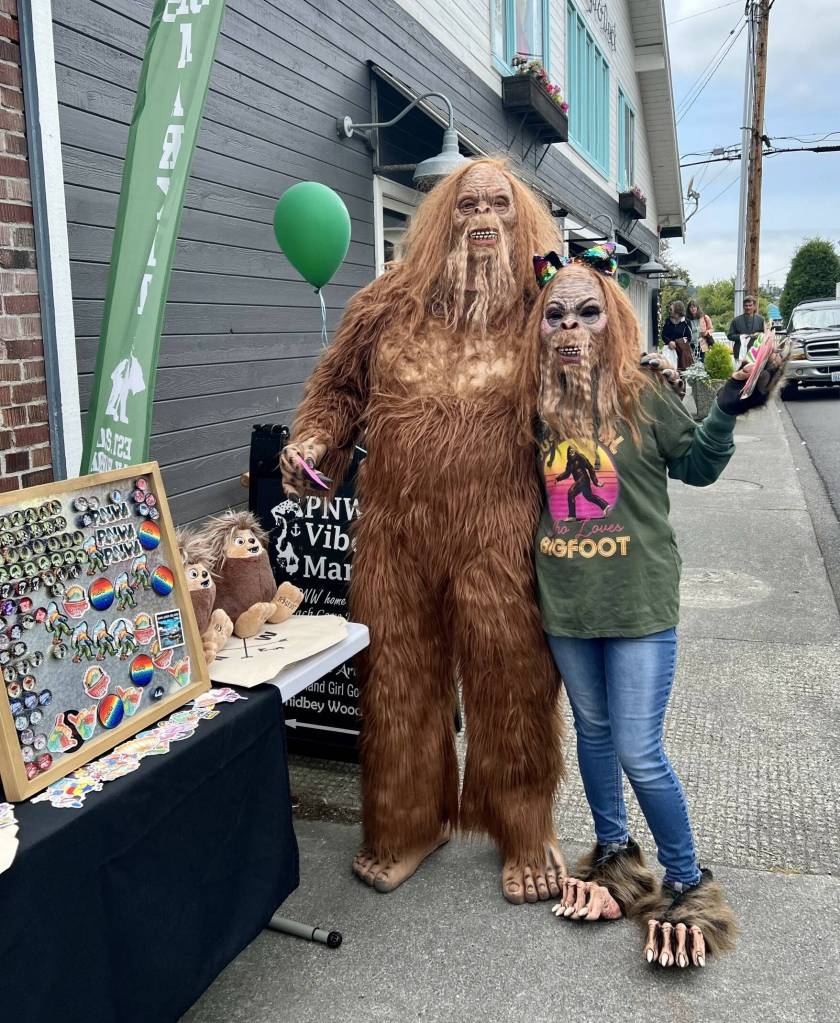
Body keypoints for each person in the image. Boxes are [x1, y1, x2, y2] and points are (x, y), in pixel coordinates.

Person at [529, 248, 785, 969]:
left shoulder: (641, 393)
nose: (571, 324)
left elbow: (699, 465)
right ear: (538, 327)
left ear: (611, 318)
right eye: (556, 313)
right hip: (568, 604)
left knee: (640, 748)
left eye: (587, 310)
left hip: (639, 602)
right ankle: (613, 853)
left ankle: (685, 877)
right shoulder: (536, 408)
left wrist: (728, 410)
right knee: (594, 734)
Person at [727, 295, 764, 360]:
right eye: (746, 305)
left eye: (750, 305)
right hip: (739, 353)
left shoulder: (761, 320)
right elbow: (730, 336)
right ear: (743, 306)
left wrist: (759, 335)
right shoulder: (736, 320)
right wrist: (741, 337)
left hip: (755, 353)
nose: (748, 307)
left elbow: (764, 335)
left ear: (754, 306)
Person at [661, 301, 694, 370]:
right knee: (667, 371)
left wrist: (676, 343)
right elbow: (664, 334)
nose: (669, 311)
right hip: (668, 350)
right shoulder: (668, 321)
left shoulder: (686, 322)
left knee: (680, 372)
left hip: (681, 352)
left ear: (677, 310)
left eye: (671, 309)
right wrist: (669, 342)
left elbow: (689, 338)